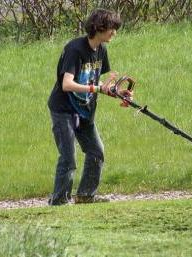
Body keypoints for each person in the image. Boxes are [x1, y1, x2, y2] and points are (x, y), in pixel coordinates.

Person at [47, 9, 128, 205]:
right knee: (68, 158)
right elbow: (67, 84)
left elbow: (94, 83)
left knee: (96, 151)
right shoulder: (75, 49)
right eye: (112, 28)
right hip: (64, 109)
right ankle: (59, 201)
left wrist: (115, 91)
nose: (114, 33)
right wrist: (96, 87)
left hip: (85, 109)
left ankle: (85, 196)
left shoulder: (101, 50)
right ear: (99, 27)